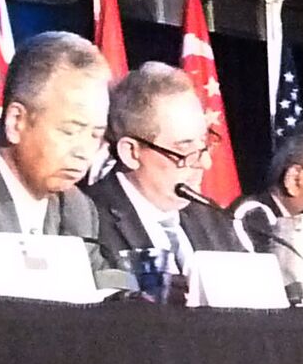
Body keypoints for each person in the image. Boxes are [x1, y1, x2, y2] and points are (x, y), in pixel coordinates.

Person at [0, 30, 108, 262]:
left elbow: (99, 278)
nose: (84, 152)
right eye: (69, 131)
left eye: (96, 135)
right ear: (17, 121)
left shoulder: (78, 208)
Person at [88, 62, 238, 273]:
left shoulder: (214, 220)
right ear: (131, 152)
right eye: (184, 149)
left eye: (204, 143)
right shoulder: (89, 221)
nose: (205, 163)